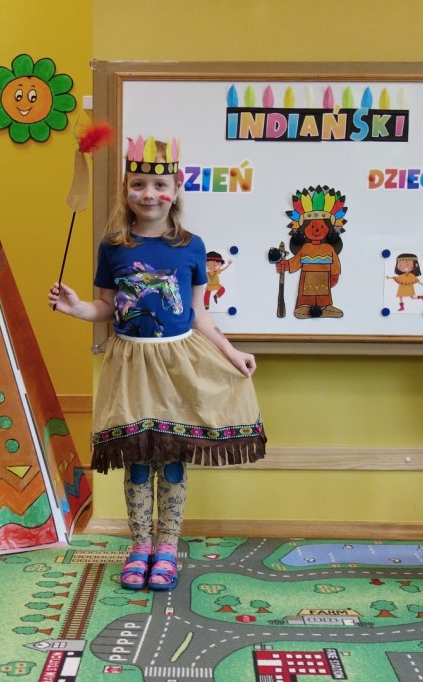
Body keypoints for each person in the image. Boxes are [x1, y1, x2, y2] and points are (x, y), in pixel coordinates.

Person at [49, 135, 266, 591]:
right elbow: (106, 307)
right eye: (139, 184)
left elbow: (198, 313)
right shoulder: (114, 246)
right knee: (137, 458)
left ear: (175, 189)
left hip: (177, 365)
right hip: (130, 365)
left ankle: (167, 546)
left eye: (159, 185)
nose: (149, 194)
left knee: (170, 457)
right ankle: (140, 546)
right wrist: (77, 308)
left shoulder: (191, 246)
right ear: (126, 190)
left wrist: (231, 352)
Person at [274, 185, 347, 319]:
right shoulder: (306, 248)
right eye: (312, 226)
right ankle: (303, 306)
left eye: (321, 226)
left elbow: (335, 263)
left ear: (328, 229)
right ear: (304, 229)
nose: (317, 230)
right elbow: (296, 261)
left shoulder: (329, 249)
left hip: (324, 276)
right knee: (305, 294)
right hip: (307, 277)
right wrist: (286, 265)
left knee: (324, 294)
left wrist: (335, 274)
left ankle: (326, 306)